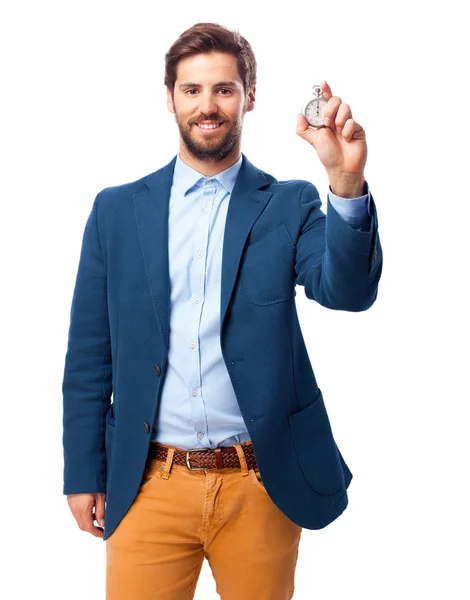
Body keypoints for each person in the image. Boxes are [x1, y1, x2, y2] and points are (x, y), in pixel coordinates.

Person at [62, 22, 382, 600]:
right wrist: (84, 470)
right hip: (147, 482)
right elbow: (89, 354)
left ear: (249, 97)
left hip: (259, 484)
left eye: (224, 90)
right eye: (191, 90)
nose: (207, 106)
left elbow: (348, 291)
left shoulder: (290, 203)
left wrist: (345, 181)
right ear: (170, 98)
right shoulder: (115, 212)